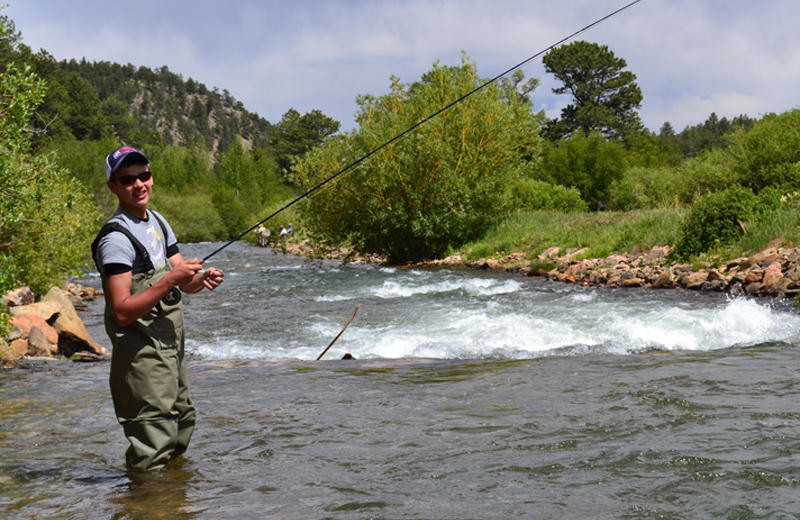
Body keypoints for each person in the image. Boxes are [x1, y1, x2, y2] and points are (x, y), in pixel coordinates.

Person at [91, 146, 225, 472]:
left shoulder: (159, 223)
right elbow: (121, 310)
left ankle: (172, 500)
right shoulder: (116, 240)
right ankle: (145, 504)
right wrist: (170, 281)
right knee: (152, 441)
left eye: (144, 175)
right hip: (141, 354)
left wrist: (200, 279)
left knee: (182, 421)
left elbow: (182, 280)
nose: (139, 185)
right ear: (113, 187)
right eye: (127, 179)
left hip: (170, 346)